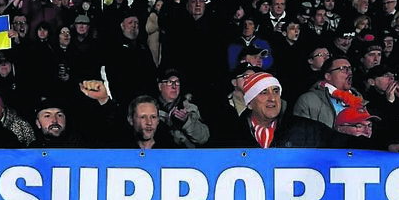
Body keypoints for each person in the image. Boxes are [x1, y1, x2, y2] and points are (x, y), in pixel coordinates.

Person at [212, 72, 344, 148]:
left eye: (276, 91)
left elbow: (344, 144)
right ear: (250, 103)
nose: (272, 98)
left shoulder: (305, 129)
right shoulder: (230, 135)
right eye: (263, 92)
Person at [294, 57, 365, 129]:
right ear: (328, 76)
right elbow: (301, 132)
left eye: (350, 68)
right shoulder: (308, 100)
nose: (350, 72)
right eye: (343, 69)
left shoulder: (358, 97)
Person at [155, 69, 209, 148]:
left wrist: (186, 122)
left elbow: (203, 138)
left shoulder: (190, 108)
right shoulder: (150, 108)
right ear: (160, 86)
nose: (174, 86)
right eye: (170, 82)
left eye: (177, 82)